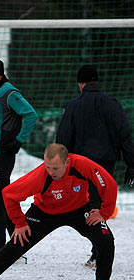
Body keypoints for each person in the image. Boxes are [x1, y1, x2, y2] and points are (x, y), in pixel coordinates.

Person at [0, 144, 117, 280]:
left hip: (79, 210)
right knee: (15, 246)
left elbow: (108, 183)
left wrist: (104, 213)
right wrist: (20, 223)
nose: (51, 172)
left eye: (55, 168)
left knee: (106, 238)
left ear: (67, 163)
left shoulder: (82, 165)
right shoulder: (41, 176)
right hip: (44, 213)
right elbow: (9, 194)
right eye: (48, 166)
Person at [56, 64, 134, 268]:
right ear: (95, 81)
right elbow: (124, 134)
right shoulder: (113, 104)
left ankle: (98, 250)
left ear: (80, 84)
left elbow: (63, 137)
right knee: (99, 205)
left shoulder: (73, 105)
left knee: (89, 205)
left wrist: (59, 166)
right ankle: (99, 249)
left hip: (82, 165)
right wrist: (131, 164)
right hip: (106, 163)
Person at [0, 57, 38, 252]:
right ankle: (16, 243)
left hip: (1, 153)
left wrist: (18, 141)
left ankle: (1, 247)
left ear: (1, 74)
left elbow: (31, 114)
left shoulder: (8, 92)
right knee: (0, 199)